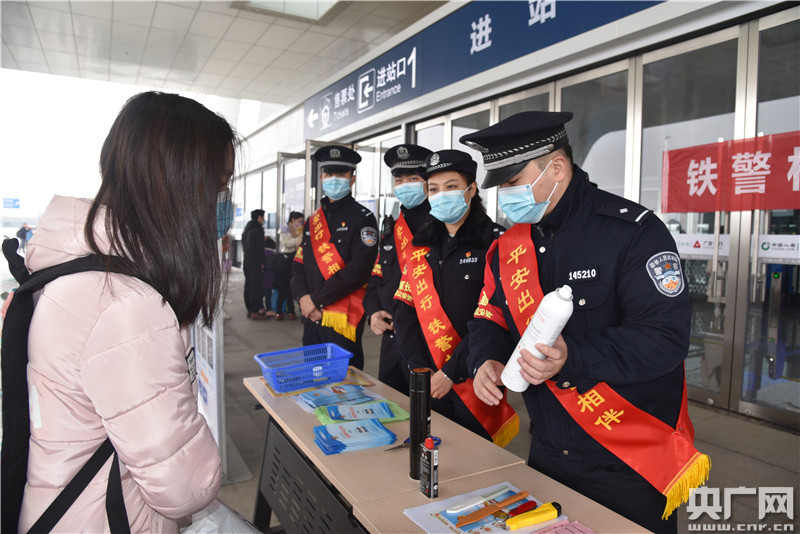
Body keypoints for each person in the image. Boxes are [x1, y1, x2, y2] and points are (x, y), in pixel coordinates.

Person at [462, 111, 709, 533]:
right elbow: (491, 315)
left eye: (513, 182)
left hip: (627, 459)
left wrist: (572, 357)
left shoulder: (633, 232)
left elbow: (665, 338)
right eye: (500, 186)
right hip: (547, 450)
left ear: (557, 168)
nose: (505, 197)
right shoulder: (510, 246)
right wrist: (484, 358)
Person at [16, 91, 230, 532]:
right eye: (218, 185)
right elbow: (185, 486)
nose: (222, 201)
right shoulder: (126, 307)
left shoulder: (81, 271)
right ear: (181, 186)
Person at [392, 149, 518, 446]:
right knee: (429, 451)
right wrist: (418, 367)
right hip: (426, 377)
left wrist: (450, 372)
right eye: (434, 189)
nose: (441, 195)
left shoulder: (496, 242)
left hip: (476, 377)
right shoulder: (419, 246)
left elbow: (494, 317)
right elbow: (404, 308)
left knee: (473, 457)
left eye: (451, 186)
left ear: (471, 189)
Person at [291, 145, 378, 370]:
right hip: (311, 314)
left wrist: (316, 300)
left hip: (342, 318)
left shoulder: (363, 218)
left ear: (352, 179)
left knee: (345, 379)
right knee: (313, 376)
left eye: (341, 174)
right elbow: (298, 266)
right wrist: (303, 299)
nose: (334, 179)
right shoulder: (312, 221)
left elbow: (358, 271)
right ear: (321, 178)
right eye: (329, 174)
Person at [363, 144, 432, 394]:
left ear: (428, 182)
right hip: (392, 340)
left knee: (431, 413)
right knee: (393, 406)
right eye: (399, 180)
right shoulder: (391, 228)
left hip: (430, 342)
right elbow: (377, 277)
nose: (405, 185)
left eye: (413, 179)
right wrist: (373, 312)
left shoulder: (442, 225)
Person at [273, 211, 304, 321]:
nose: (300, 224)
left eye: (302, 221)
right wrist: (299, 239)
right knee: (284, 288)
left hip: (295, 258)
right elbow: (286, 243)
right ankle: (283, 312)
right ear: (293, 220)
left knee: (292, 287)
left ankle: (291, 311)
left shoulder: (300, 230)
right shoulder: (284, 229)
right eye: (299, 221)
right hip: (285, 261)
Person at [242, 209, 268, 320]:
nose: (263, 220)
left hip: (247, 261)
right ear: (259, 217)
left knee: (248, 285)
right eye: (262, 217)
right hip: (255, 262)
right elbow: (259, 248)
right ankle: (255, 312)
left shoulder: (247, 229)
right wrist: (262, 262)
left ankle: (249, 309)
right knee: (255, 287)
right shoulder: (258, 229)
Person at [262, 236, 278, 318]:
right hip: (269, 278)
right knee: (268, 295)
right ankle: (269, 310)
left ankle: (261, 308)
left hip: (262, 277)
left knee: (262, 294)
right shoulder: (272, 254)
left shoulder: (263, 253)